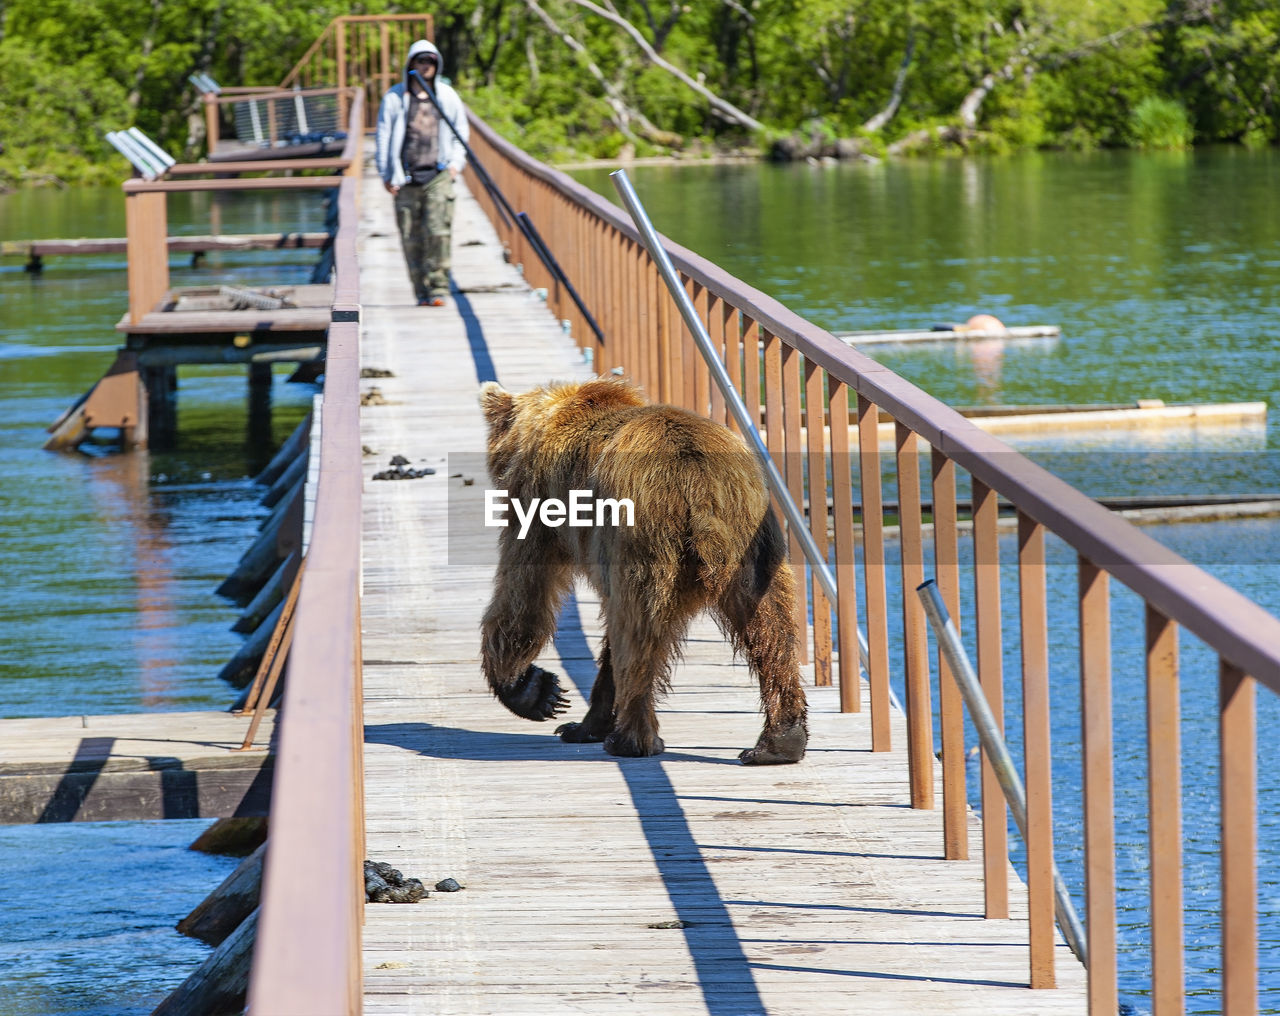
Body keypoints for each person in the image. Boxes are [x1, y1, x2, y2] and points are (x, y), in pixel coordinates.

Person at [375, 40, 469, 307]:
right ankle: (421, 292)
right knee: (410, 237)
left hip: (438, 174)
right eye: (420, 60)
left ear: (437, 64)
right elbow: (383, 135)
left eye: (430, 60)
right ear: (411, 64)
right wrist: (386, 173)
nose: (425, 65)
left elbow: (461, 130)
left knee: (438, 232)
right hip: (405, 176)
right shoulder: (395, 97)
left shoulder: (447, 95)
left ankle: (439, 289)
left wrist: (455, 165)